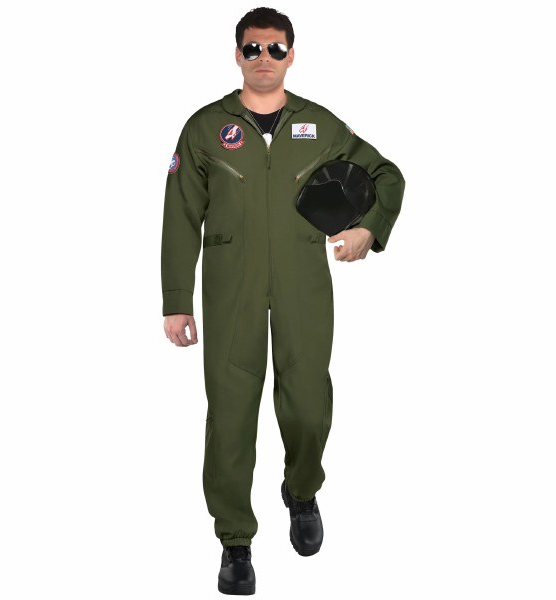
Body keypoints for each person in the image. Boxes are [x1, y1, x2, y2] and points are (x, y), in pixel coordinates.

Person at [161, 7, 405, 595]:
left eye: (275, 48)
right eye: (252, 48)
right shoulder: (204, 128)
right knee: (230, 414)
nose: (263, 58)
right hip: (231, 288)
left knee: (307, 404)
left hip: (302, 283)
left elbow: (387, 175)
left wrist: (368, 229)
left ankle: (301, 491)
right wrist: (176, 300)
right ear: (237, 55)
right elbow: (180, 215)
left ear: (291, 55)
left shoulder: (319, 125)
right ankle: (235, 541)